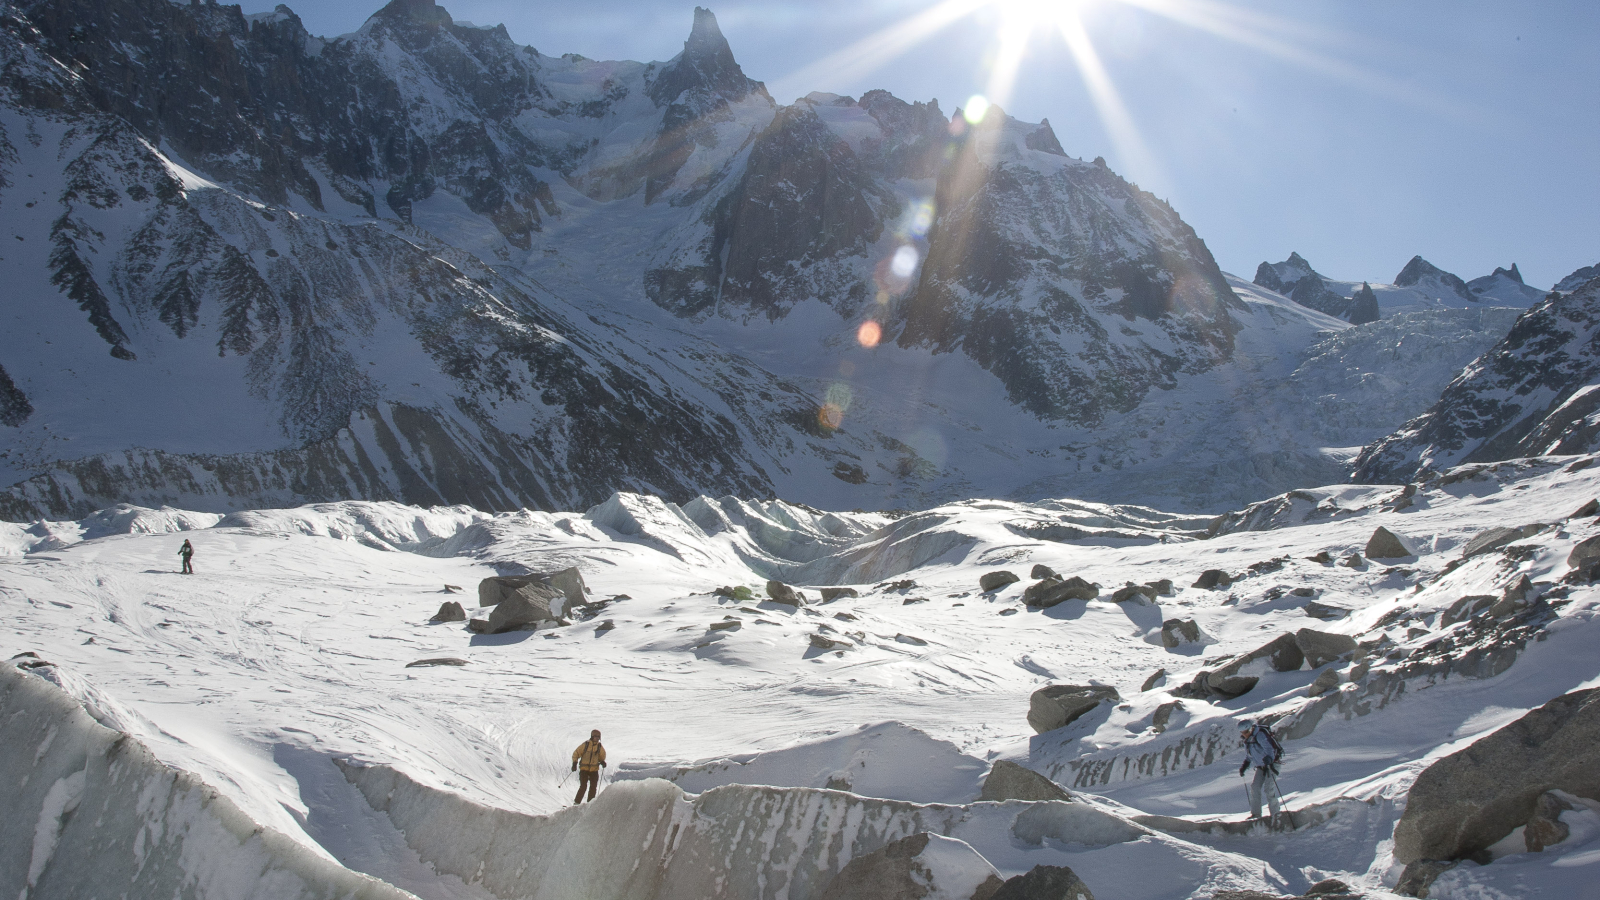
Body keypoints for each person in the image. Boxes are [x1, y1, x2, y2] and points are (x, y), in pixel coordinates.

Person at [1237, 719, 1283, 824]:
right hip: (1261, 766)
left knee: (1268, 789)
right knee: (1255, 787)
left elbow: (1269, 749)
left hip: (1271, 765)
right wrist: (1245, 766)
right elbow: (1250, 755)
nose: (1245, 735)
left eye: (1247, 732)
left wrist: (1269, 759)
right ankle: (1256, 814)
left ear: (1251, 728)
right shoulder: (1247, 741)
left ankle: (1275, 814)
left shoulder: (1260, 735)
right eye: (1243, 733)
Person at [571, 729, 606, 804]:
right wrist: (574, 763)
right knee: (583, 786)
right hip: (584, 769)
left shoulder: (599, 747)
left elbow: (602, 756)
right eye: (596, 736)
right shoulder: (586, 745)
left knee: (593, 787)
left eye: (598, 737)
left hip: (594, 770)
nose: (597, 738)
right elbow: (576, 753)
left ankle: (590, 804)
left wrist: (602, 761)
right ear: (592, 736)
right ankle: (576, 803)